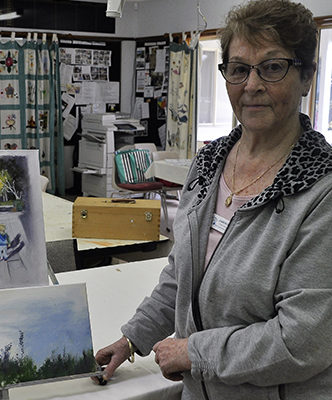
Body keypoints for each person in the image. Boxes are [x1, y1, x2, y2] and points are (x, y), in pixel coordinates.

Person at [94, 1, 332, 398]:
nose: (251, 85)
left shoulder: (321, 190)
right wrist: (133, 338)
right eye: (238, 69)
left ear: (307, 76)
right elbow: (181, 276)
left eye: (272, 67)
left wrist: (194, 352)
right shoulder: (210, 163)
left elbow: (302, 341)